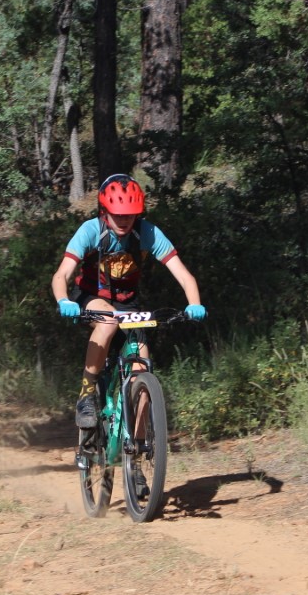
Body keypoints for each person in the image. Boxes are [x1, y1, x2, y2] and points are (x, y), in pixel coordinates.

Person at [50, 173, 206, 449]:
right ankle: (86, 395)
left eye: (130, 215)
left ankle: (137, 449)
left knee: (143, 372)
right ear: (104, 211)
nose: (124, 220)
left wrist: (194, 304)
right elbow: (61, 274)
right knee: (108, 321)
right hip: (90, 297)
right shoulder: (90, 231)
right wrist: (64, 301)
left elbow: (184, 275)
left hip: (128, 305)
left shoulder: (147, 233)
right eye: (117, 214)